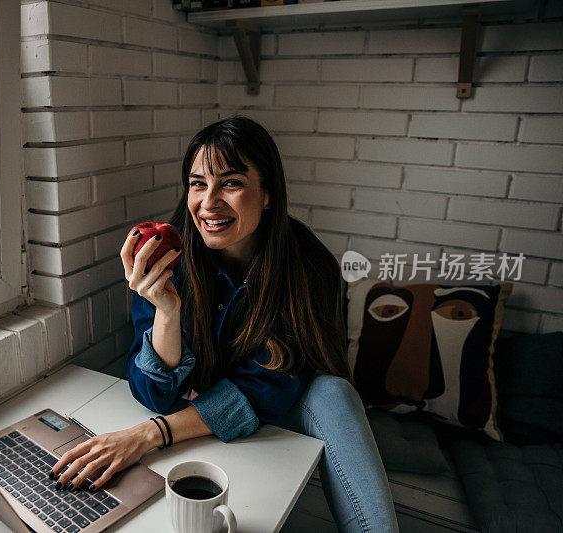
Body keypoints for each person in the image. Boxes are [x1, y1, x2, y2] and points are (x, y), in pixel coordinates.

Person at [49, 117, 398, 532]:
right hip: (197, 409)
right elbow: (154, 393)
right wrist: (165, 311)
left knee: (333, 391)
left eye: (230, 183)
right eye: (198, 183)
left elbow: (268, 389)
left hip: (276, 407)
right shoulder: (167, 253)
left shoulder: (308, 265)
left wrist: (145, 436)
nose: (208, 203)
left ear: (267, 194)